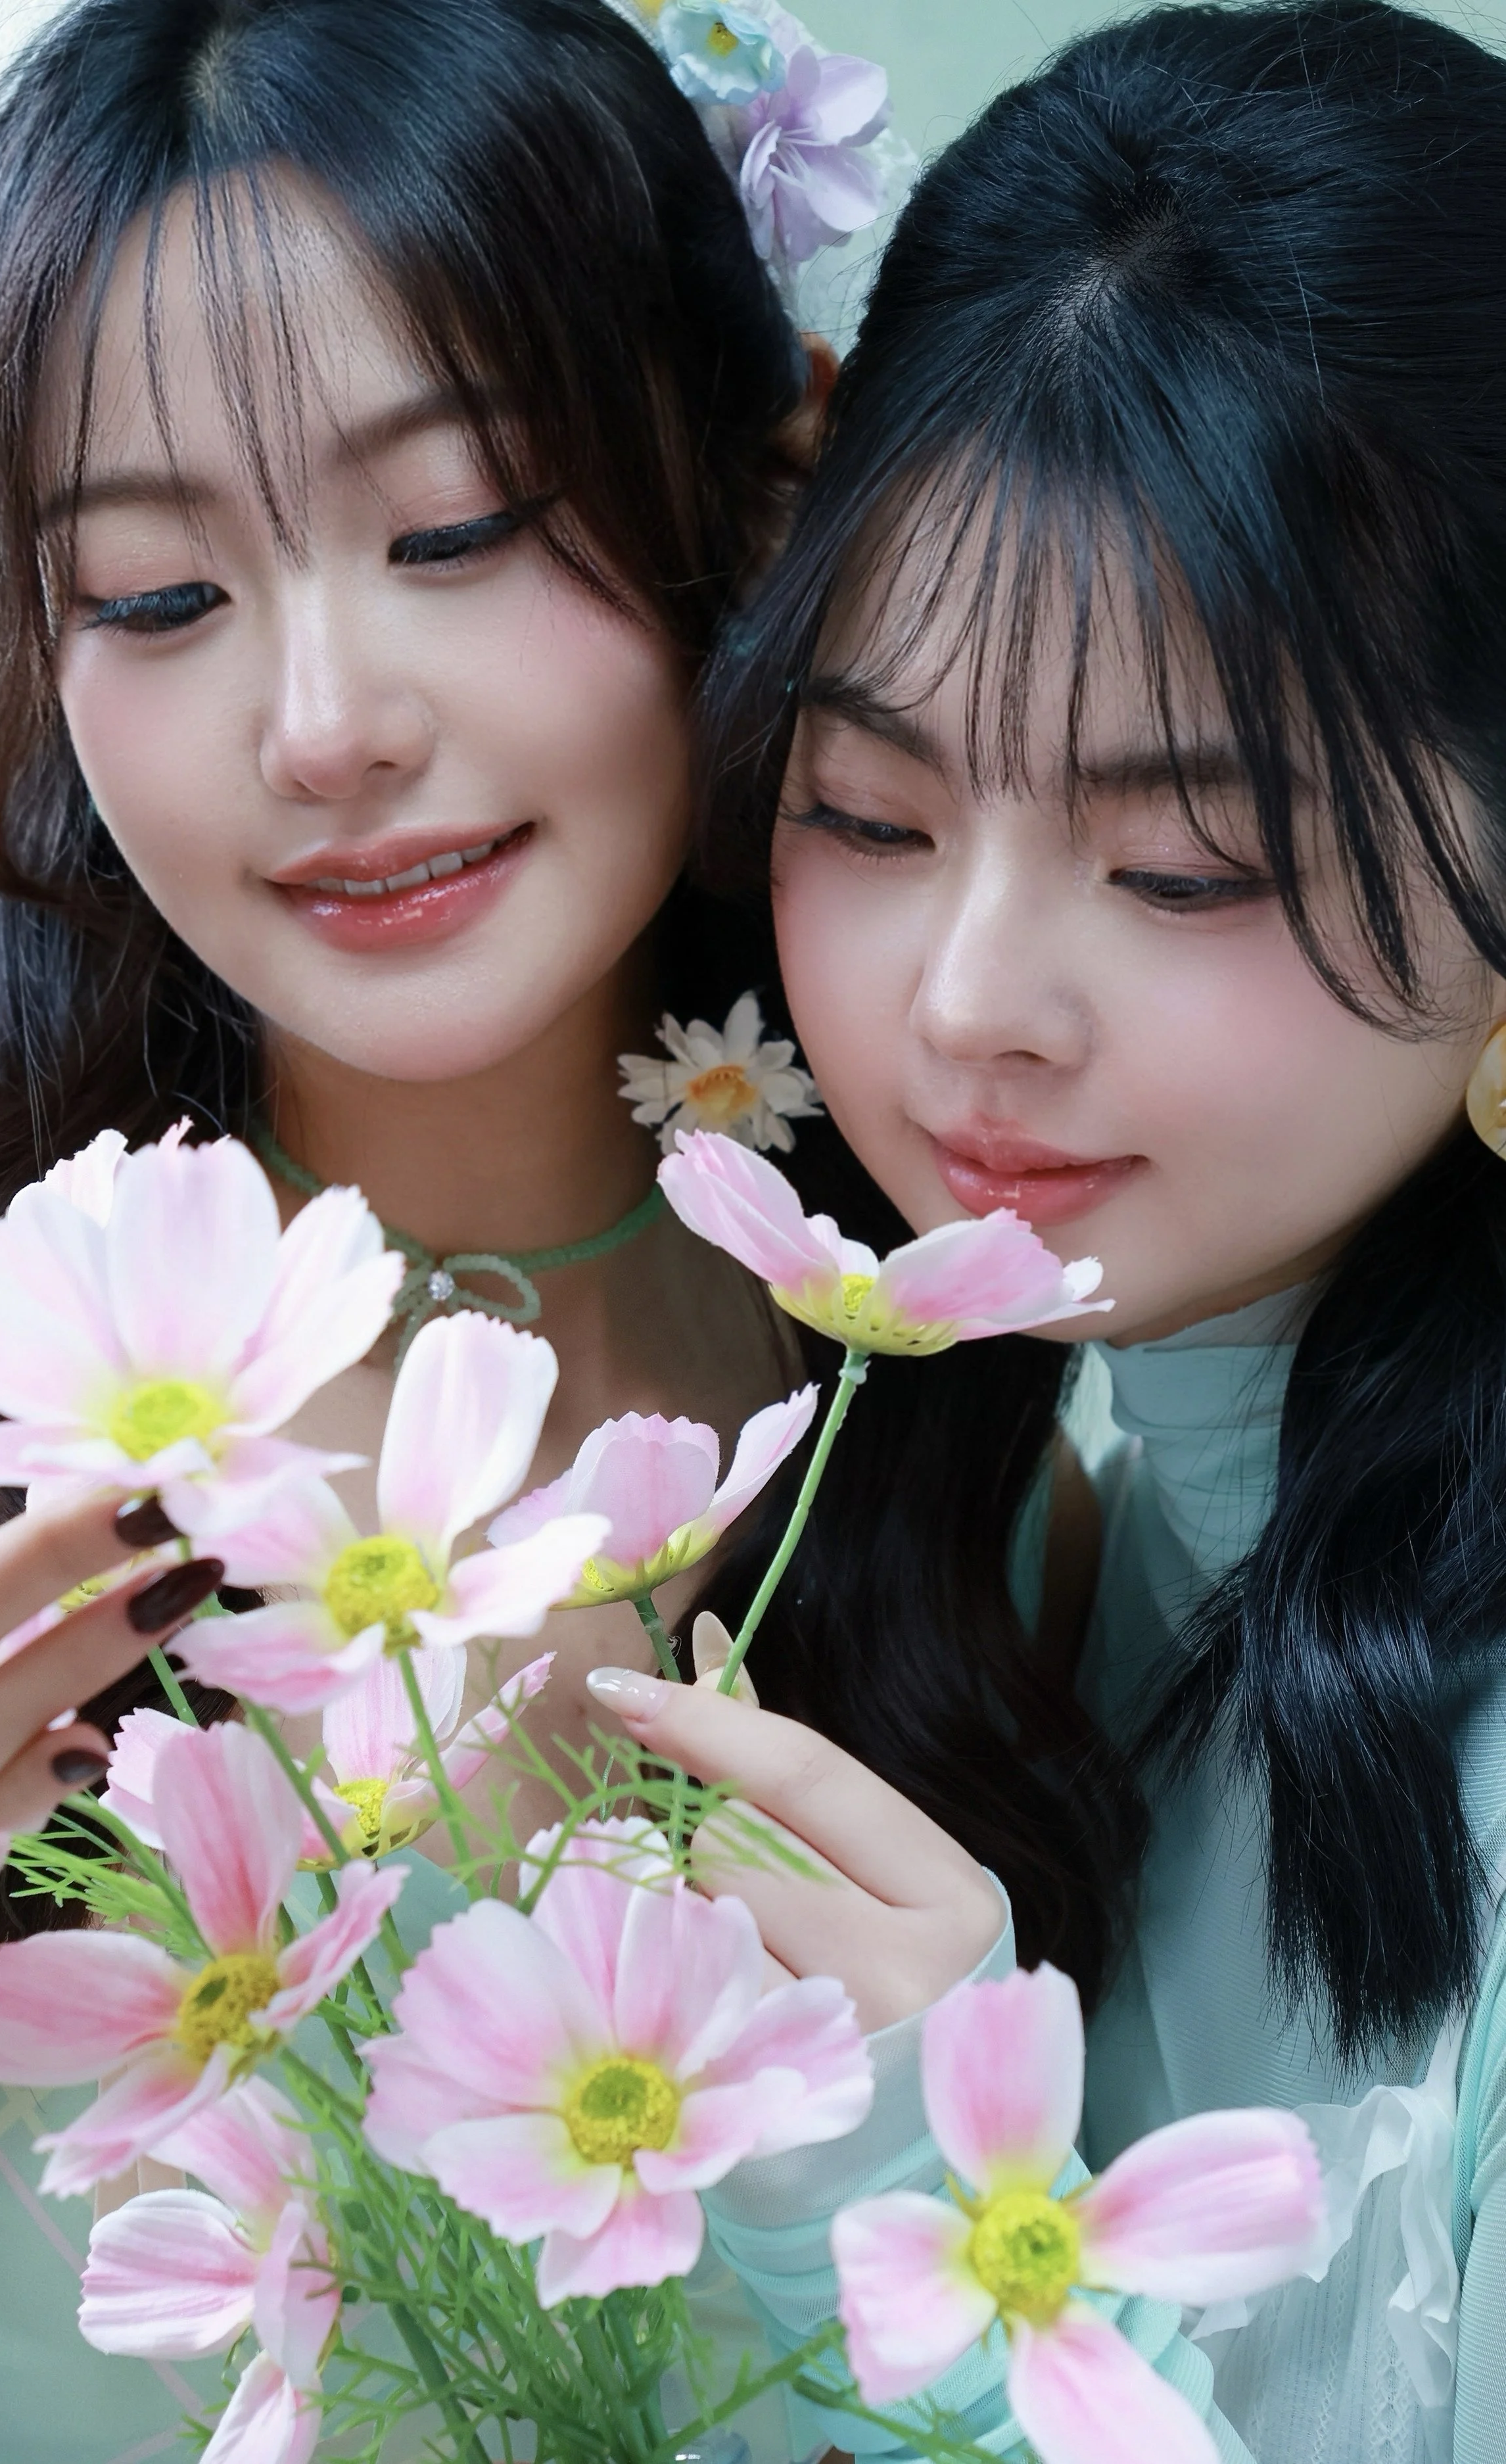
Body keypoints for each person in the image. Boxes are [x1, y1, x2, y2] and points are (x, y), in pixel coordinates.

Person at [0, 0, 891, 2454]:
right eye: (149, 593)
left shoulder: (975, 1398)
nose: (321, 721)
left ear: (764, 486)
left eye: (454, 529)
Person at [582, 6, 1506, 2460]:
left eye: (1182, 862)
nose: (967, 1006)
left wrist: (927, 2250)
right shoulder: (1039, 1523)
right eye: (866, 813)